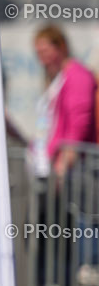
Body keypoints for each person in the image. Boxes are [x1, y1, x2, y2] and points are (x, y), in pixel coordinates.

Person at [31, 24, 97, 181]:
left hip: (73, 170)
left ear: (61, 47)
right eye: (38, 54)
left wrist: (66, 159)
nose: (42, 60)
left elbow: (79, 120)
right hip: (49, 163)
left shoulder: (77, 76)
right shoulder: (58, 77)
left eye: (45, 52)